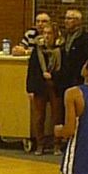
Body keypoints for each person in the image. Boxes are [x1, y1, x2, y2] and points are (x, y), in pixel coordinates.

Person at [26, 24, 64, 156]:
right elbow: (32, 70)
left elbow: (65, 71)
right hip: (40, 86)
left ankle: (57, 144)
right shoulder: (37, 51)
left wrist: (53, 76)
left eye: (49, 34)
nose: (47, 36)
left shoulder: (60, 51)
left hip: (55, 85)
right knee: (39, 116)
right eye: (45, 33)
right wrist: (30, 89)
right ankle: (40, 144)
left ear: (55, 35)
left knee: (56, 116)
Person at [56, 9, 88, 93]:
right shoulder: (64, 37)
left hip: (77, 80)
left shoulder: (85, 39)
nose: (66, 21)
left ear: (78, 21)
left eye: (69, 19)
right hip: (63, 80)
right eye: (65, 18)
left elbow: (85, 60)